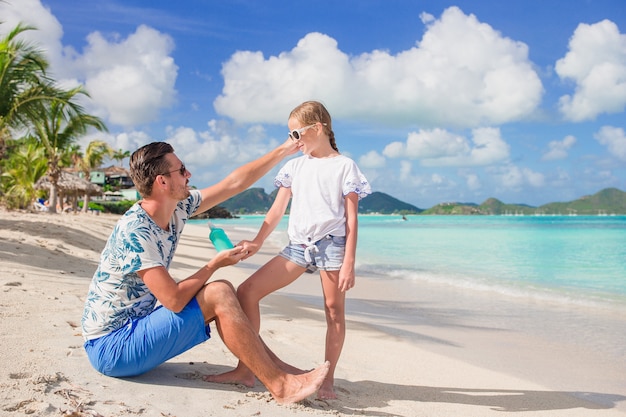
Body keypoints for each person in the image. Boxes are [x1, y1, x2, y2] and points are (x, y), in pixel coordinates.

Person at [80, 139, 330, 405]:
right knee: (219, 291)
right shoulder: (136, 231)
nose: (189, 175)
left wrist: (283, 151)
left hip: (134, 330)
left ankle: (275, 369)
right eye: (182, 170)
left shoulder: (176, 208)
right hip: (112, 348)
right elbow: (173, 300)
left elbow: (233, 184)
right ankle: (280, 385)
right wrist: (214, 264)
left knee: (220, 289)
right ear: (162, 181)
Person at [205, 101, 371, 399]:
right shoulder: (294, 166)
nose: (293, 141)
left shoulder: (345, 166)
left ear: (318, 128)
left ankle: (328, 380)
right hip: (298, 247)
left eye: (297, 134)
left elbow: (352, 218)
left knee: (334, 311)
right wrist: (257, 240)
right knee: (247, 292)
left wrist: (349, 262)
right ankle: (246, 369)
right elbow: (277, 209)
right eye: (291, 135)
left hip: (332, 246)